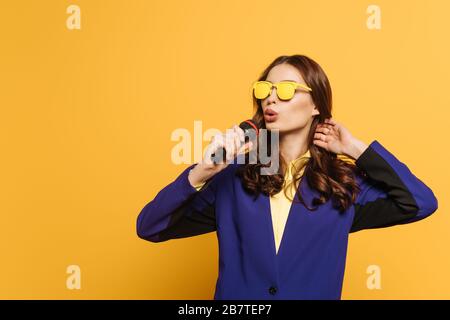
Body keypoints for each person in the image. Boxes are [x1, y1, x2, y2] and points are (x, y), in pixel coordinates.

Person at [136, 54, 438, 300]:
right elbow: (149, 226)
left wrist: (357, 149)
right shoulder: (235, 178)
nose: (271, 99)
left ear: (316, 105)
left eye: (286, 90)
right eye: (264, 90)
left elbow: (421, 201)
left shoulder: (341, 183)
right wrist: (202, 171)